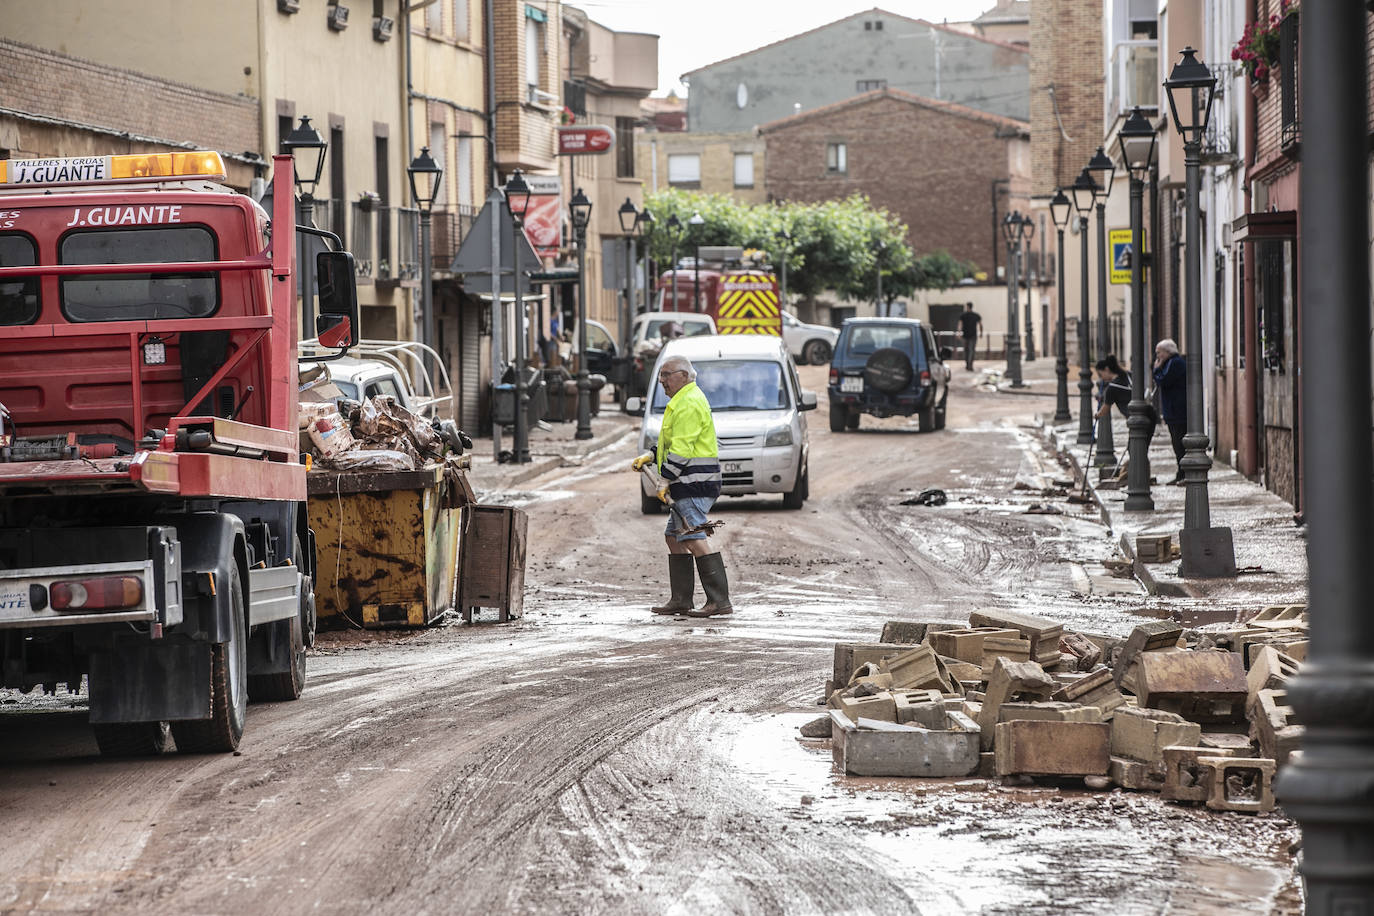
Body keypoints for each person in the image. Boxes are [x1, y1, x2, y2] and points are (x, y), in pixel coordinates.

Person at [629, 355, 733, 617]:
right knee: (674, 537)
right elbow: (673, 443)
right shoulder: (682, 401)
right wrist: (652, 456)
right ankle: (681, 600)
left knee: (692, 536)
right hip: (690, 481)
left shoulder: (688, 403)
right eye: (661, 375)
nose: (662, 381)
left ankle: (719, 602)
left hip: (694, 482)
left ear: (684, 376)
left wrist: (664, 479)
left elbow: (683, 449)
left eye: (667, 375)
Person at [1152, 339, 1187, 484]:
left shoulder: (1175, 363)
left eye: (1159, 352)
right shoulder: (1170, 363)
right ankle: (1181, 472)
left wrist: (1156, 369)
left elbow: (1163, 381)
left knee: (1179, 443)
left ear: (1168, 352)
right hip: (1172, 410)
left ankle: (1183, 473)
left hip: (1177, 410)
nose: (1157, 356)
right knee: (1176, 443)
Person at [957, 302, 982, 371]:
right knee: (971, 350)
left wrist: (959, 333)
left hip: (966, 335)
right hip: (972, 335)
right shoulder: (976, 315)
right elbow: (980, 325)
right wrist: (981, 333)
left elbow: (960, 325)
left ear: (967, 307)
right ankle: (970, 365)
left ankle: (968, 364)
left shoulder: (963, 315)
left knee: (967, 351)